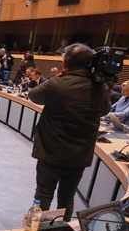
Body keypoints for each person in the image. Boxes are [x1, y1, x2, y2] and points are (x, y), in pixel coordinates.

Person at [28, 44, 110, 220]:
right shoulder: (100, 87)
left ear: (66, 63)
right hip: (79, 154)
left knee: (43, 194)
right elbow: (104, 110)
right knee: (67, 197)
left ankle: (36, 228)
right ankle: (62, 228)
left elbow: (34, 95)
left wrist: (58, 77)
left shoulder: (57, 83)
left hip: (51, 151)